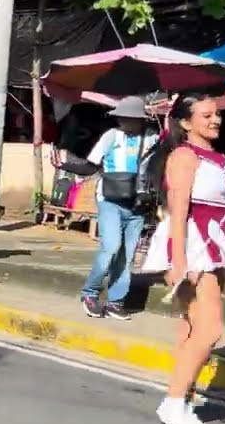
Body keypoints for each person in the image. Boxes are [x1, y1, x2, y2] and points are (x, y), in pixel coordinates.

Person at [140, 94, 225, 424]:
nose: (215, 120)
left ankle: (182, 400)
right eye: (206, 115)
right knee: (209, 329)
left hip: (217, 243)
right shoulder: (184, 156)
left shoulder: (220, 159)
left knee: (191, 329)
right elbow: (178, 213)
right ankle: (173, 402)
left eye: (217, 114)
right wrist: (179, 261)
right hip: (193, 244)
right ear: (186, 122)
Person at [52, 96, 159, 320]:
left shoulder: (152, 139)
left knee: (127, 256)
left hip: (137, 204)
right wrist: (65, 165)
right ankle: (90, 293)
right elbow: (91, 166)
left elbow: (160, 165)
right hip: (109, 200)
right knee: (111, 247)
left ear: (140, 120)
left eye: (129, 118)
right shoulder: (111, 136)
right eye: (121, 118)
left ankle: (115, 301)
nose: (124, 122)